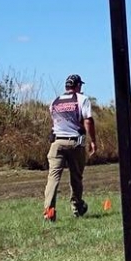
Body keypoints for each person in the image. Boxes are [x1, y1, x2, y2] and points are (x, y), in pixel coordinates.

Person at [43, 74, 96, 221]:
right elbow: (88, 121)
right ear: (77, 86)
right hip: (75, 143)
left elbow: (55, 122)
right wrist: (93, 141)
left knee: (53, 178)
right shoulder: (82, 99)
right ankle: (77, 207)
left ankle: (49, 212)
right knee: (76, 177)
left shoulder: (54, 101)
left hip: (57, 143)